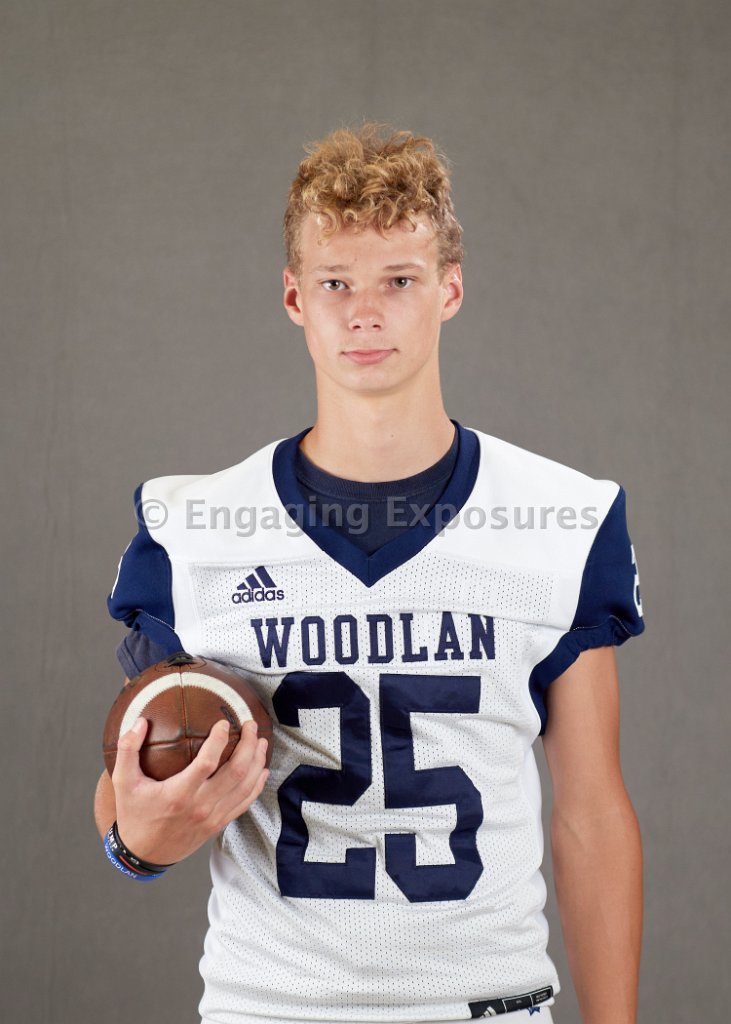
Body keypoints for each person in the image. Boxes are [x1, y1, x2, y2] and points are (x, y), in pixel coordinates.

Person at [95, 123, 645, 1024]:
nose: (363, 313)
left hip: (484, 1003)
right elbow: (127, 793)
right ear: (292, 296)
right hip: (268, 1007)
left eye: (398, 280)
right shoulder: (194, 527)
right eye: (334, 283)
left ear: (449, 289)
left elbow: (589, 813)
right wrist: (137, 842)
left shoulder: (559, 518)